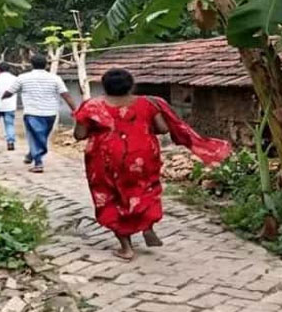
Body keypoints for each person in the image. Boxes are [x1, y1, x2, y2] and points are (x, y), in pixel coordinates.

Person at [74, 68, 232, 261]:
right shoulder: (148, 103)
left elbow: (79, 135)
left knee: (110, 197)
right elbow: (163, 129)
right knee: (144, 190)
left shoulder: (91, 106)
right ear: (131, 85)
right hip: (142, 155)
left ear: (104, 86)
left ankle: (126, 248)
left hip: (105, 158)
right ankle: (147, 226)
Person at [4, 54, 76, 173]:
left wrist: (2, 97)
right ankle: (36, 159)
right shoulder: (55, 78)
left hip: (32, 113)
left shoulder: (23, 77)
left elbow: (10, 91)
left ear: (31, 64)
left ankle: (35, 160)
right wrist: (75, 109)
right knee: (40, 136)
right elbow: (66, 95)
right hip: (50, 113)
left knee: (37, 136)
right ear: (46, 65)